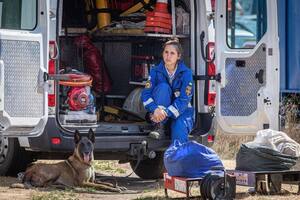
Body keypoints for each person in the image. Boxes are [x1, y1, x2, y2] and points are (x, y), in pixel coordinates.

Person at [141, 38, 194, 143]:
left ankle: (178, 158)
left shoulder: (186, 73)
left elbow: (184, 99)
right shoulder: (155, 71)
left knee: (179, 129)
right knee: (163, 87)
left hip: (181, 111)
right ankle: (159, 126)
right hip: (159, 113)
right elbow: (146, 94)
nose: (168, 56)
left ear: (178, 56)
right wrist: (155, 109)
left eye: (172, 53)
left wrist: (165, 112)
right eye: (166, 52)